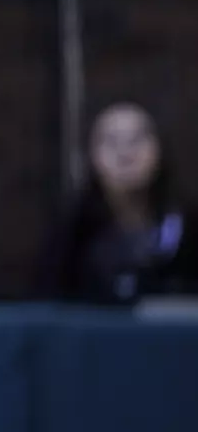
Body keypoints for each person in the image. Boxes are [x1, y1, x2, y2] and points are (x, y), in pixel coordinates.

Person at [43, 101, 198, 302]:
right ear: (91, 155)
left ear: (160, 148)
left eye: (137, 139)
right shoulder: (73, 235)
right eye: (111, 141)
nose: (125, 153)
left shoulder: (188, 229)